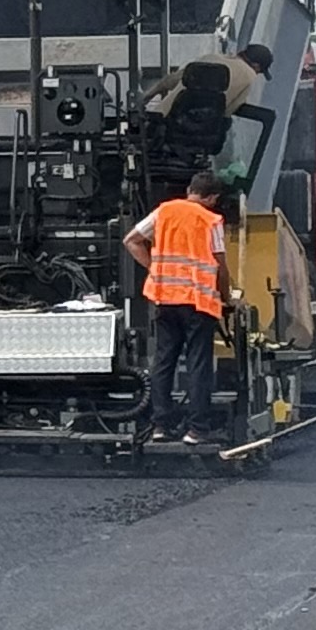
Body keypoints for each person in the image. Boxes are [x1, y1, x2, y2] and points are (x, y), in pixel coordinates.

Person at [124, 167, 230, 446]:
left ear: (189, 191)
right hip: (197, 301)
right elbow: (219, 264)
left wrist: (154, 269)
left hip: (164, 298)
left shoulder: (163, 212)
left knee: (163, 361)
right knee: (198, 364)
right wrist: (228, 296)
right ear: (211, 197)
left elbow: (131, 241)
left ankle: (160, 425)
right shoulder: (211, 219)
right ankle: (197, 430)